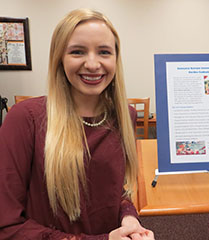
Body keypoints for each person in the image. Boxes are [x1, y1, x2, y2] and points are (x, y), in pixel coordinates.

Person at [0, 8, 154, 240]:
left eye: (104, 52)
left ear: (115, 58)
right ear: (59, 58)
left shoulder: (125, 116)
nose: (92, 64)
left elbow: (120, 190)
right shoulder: (25, 119)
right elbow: (8, 225)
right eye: (77, 52)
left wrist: (129, 218)